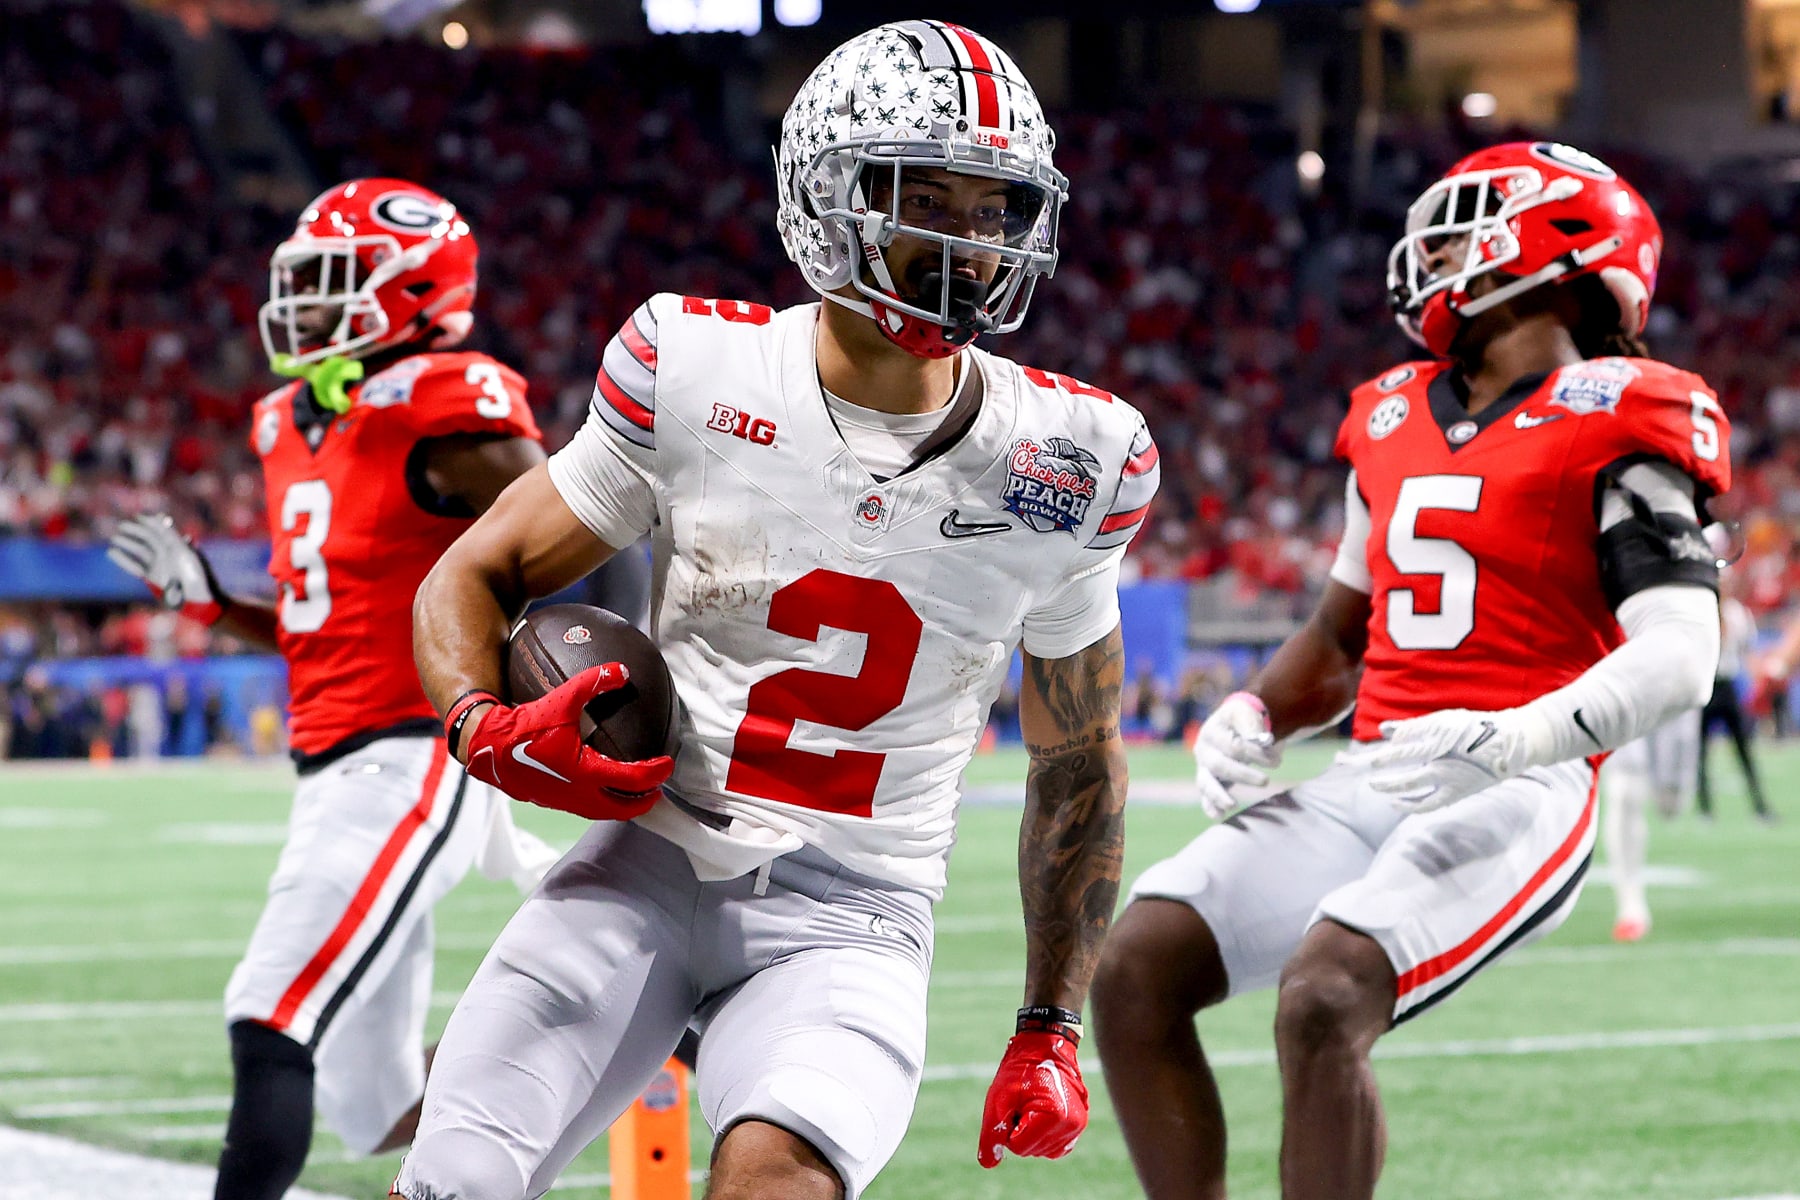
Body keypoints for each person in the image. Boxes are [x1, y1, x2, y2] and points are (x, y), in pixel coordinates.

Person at [397, 20, 1158, 1200]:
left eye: (991, 207)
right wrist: (480, 725)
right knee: (452, 1178)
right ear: (827, 193)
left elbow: (1077, 759)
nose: (965, 241)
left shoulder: (1074, 456)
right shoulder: (696, 370)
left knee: (778, 1187)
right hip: (644, 862)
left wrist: (1052, 1019)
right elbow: (473, 572)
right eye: (925, 199)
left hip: (853, 912)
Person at [1090, 142, 1730, 1200]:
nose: (1430, 248)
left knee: (1326, 996)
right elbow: (1344, 638)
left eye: (1465, 220)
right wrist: (1255, 708)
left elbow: (1681, 651)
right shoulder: (1392, 411)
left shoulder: (1625, 409)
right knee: (1134, 970)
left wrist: (1521, 734)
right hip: (1374, 773)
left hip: (1523, 780)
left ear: (1559, 240)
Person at [107, 179, 559, 1200]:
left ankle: (627, 1031)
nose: (306, 308)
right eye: (303, 285)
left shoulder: (445, 395)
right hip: (337, 764)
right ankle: (625, 1047)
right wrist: (215, 606)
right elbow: (325, 627)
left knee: (270, 1009)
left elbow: (575, 527)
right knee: (379, 1106)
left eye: (334, 284)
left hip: (416, 753)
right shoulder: (288, 420)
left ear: (415, 291)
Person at [1601, 707, 1701, 942]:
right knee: (1625, 790)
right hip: (1622, 683)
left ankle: (1671, 790)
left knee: (1671, 803)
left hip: (1676, 684)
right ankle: (1630, 904)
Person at [1699, 584, 1775, 820]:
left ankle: (1759, 806)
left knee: (1743, 750)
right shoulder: (1702, 609)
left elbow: (1747, 648)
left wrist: (1755, 680)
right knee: (1701, 753)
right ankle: (1706, 809)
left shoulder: (1736, 612)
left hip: (1728, 685)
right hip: (1708, 685)